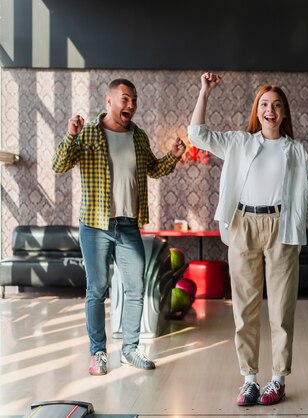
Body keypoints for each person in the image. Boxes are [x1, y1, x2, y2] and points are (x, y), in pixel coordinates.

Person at [188, 72, 308, 406]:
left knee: (281, 307)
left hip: (282, 227)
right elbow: (197, 134)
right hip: (244, 224)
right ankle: (249, 379)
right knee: (245, 306)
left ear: (284, 114)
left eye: (277, 105)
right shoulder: (239, 142)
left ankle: (278, 379)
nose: (270, 110)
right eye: (265, 104)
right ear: (257, 110)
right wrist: (204, 92)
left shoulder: (295, 150)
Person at [52, 79, 186, 376]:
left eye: (134, 100)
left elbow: (154, 168)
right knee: (96, 289)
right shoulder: (87, 133)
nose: (131, 105)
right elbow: (59, 165)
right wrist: (70, 136)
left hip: (128, 224)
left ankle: (129, 350)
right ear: (109, 101)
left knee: (136, 289)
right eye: (125, 99)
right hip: (95, 224)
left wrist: (174, 157)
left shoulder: (138, 136)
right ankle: (98, 353)